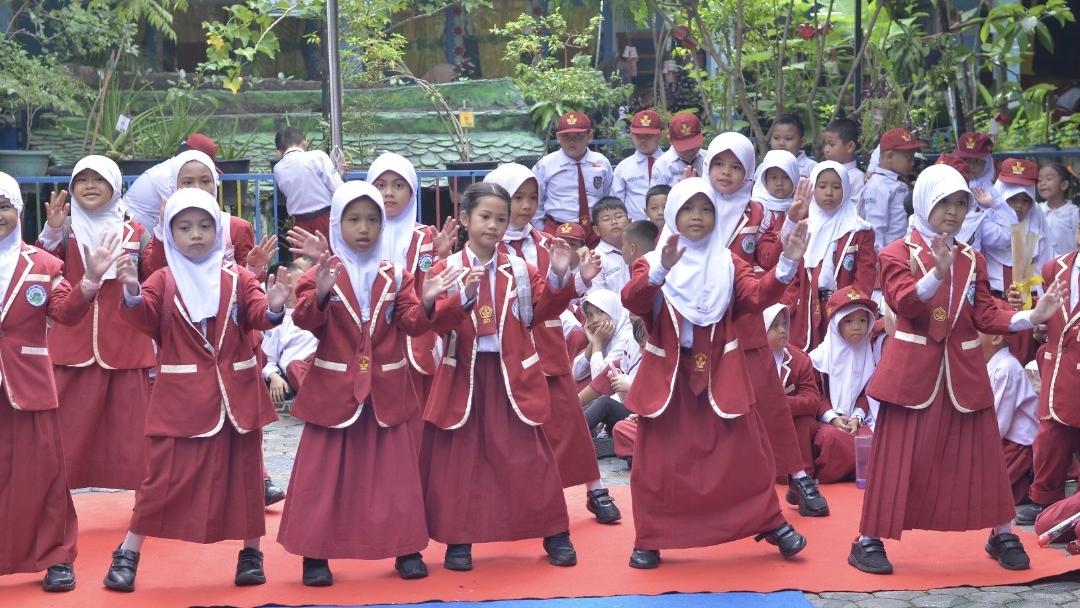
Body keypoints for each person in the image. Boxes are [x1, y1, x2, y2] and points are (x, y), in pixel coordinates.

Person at [848, 164, 1063, 575]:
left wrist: (1033, 315)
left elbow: (985, 312)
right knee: (897, 456)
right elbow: (905, 304)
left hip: (963, 371)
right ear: (926, 200)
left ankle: (1001, 532)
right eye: (945, 202)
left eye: (961, 203)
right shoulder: (896, 252)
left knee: (983, 456)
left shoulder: (972, 257)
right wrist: (935, 273)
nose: (954, 211)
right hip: (911, 373)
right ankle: (867, 539)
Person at [106, 189, 292, 591]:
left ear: (218, 230)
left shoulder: (239, 277)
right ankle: (128, 552)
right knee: (162, 479)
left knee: (245, 478)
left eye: (205, 226)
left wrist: (275, 307)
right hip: (181, 400)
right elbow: (145, 318)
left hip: (238, 397)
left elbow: (258, 315)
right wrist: (132, 293)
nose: (196, 234)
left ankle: (251, 553)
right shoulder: (162, 278)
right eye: (185, 227)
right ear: (170, 233)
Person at [620, 176, 811, 569]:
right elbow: (632, 299)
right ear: (672, 213)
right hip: (669, 376)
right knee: (657, 463)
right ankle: (650, 538)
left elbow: (757, 296)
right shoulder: (654, 260)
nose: (698, 217)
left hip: (720, 371)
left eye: (706, 209)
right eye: (688, 209)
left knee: (746, 454)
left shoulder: (728, 261)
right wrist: (660, 272)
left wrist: (788, 262)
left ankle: (769, 521)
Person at [277, 181, 459, 586]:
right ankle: (314, 554)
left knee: (395, 474)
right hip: (333, 390)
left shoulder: (396, 274)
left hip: (386, 390)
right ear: (337, 224)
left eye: (373, 219)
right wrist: (321, 290)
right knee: (322, 475)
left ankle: (407, 548)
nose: (364, 228)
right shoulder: (321, 272)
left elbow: (412, 322)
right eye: (354, 219)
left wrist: (428, 299)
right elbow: (308, 320)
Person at [420, 182, 583, 571]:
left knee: (532, 457)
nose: (493, 226)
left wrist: (561, 277)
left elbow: (544, 311)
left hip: (513, 374)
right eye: (484, 217)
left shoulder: (521, 270)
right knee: (460, 460)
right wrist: (459, 299)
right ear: (464, 219)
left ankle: (555, 531)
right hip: (464, 375)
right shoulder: (447, 269)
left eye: (500, 219)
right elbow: (431, 321)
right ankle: (458, 540)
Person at [142, 149, 285, 505]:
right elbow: (155, 272)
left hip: (234, 333)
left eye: (205, 180)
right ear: (173, 185)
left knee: (244, 407)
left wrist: (253, 269)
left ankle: (257, 475)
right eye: (187, 181)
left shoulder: (233, 226)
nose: (198, 187)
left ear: (217, 184)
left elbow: (248, 285)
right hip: (186, 331)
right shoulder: (167, 228)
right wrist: (161, 231)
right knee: (189, 409)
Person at [0, 173, 121, 593]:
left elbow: (66, 314)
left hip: (30, 385)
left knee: (47, 474)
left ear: (17, 211)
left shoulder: (44, 263)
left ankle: (56, 557)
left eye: (3, 205)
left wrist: (90, 280)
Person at [483, 163, 619, 525]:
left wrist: (577, 280)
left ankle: (595, 489)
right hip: (502, 346)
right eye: (517, 198)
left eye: (532, 198)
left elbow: (554, 297)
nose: (526, 206)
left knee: (567, 418)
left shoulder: (547, 243)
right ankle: (514, 496)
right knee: (509, 426)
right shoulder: (487, 245)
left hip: (546, 340)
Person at [704, 132, 830, 518]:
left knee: (769, 399)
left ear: (747, 172)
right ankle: (712, 485)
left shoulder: (755, 212)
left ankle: (797, 476)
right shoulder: (691, 201)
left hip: (746, 313)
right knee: (705, 406)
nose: (726, 173)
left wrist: (790, 222)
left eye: (735, 166)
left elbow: (771, 256)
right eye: (719, 165)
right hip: (701, 322)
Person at [38, 155, 155, 492]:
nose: (90, 186)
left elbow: (156, 269)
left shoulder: (135, 230)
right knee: (64, 429)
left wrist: (162, 232)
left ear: (115, 186)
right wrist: (50, 231)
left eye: (99, 179)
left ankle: (143, 505)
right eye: (82, 180)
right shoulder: (65, 228)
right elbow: (42, 270)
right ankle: (53, 495)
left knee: (131, 433)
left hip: (125, 342)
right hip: (71, 342)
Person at [1012, 224, 1080, 526]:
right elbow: (1043, 311)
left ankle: (1075, 506)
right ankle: (1043, 498)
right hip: (1057, 367)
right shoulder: (1055, 266)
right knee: (1050, 437)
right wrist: (1025, 307)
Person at [782, 161, 877, 351]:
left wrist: (853, 310)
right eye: (822, 186)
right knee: (807, 361)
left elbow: (865, 276)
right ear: (813, 188)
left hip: (845, 310)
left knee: (841, 360)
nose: (829, 193)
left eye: (836, 186)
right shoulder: (804, 228)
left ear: (847, 189)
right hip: (806, 309)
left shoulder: (860, 231)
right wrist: (788, 309)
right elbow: (792, 276)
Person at [808, 289, 878, 484]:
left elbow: (868, 392)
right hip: (828, 420)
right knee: (830, 439)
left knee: (870, 439)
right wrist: (833, 418)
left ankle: (857, 475)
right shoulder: (819, 358)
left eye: (862, 321)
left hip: (857, 419)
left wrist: (856, 417)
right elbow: (816, 393)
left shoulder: (868, 355)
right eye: (849, 321)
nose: (857, 327)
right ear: (837, 324)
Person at [763, 303, 824, 480]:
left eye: (784, 324)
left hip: (789, 419)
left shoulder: (799, 359)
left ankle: (800, 475)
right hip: (758, 420)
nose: (782, 330)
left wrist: (779, 403)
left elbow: (813, 400)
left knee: (805, 422)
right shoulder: (747, 359)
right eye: (774, 326)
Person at [532, 112, 612, 245]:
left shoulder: (602, 163)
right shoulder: (546, 165)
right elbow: (537, 201)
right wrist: (541, 231)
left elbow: (607, 196)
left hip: (594, 231)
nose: (572, 141)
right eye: (566, 136)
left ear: (590, 136)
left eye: (579, 136)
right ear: (558, 137)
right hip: (557, 230)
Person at [979, 330, 1039, 506]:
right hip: (1000, 441)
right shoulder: (991, 364)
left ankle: (1027, 484)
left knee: (983, 495)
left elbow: (998, 423)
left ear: (996, 338)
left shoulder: (1006, 368)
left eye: (975, 333)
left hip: (1017, 445)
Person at [983, 158, 1055, 298]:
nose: (1019, 205)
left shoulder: (1036, 226)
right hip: (993, 300)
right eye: (1012, 199)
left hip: (1030, 301)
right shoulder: (986, 225)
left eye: (1026, 200)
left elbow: (1046, 269)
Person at [122, 133, 221, 230]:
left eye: (205, 181)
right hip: (135, 224)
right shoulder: (169, 176)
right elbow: (187, 211)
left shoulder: (175, 168)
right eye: (188, 183)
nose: (197, 188)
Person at [261, 258, 318, 404]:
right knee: (295, 367)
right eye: (300, 284)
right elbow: (267, 359)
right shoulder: (277, 320)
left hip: (322, 361)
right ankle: (317, 401)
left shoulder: (314, 307)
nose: (306, 287)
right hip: (300, 368)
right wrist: (273, 376)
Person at [273, 126, 344, 238]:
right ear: (304, 142)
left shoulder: (278, 168)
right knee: (328, 254)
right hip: (325, 218)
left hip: (299, 224)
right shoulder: (318, 156)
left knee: (302, 255)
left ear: (279, 152)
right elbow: (338, 188)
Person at [859, 128, 922, 252]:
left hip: (903, 251)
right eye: (909, 157)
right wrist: (879, 261)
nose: (913, 162)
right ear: (890, 157)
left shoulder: (898, 181)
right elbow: (875, 229)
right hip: (889, 256)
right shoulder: (878, 186)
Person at [611, 110, 665, 220]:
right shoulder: (623, 168)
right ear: (631, 135)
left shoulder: (670, 164)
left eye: (649, 135)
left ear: (661, 135)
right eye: (638, 135)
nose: (643, 140)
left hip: (668, 226)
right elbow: (616, 203)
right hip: (635, 228)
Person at [588, 197, 632, 294]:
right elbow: (597, 297)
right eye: (606, 219)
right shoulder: (596, 259)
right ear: (597, 230)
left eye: (619, 217)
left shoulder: (641, 247)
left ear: (629, 222)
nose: (614, 222)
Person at [649, 113, 705, 187]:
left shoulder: (708, 158)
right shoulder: (662, 165)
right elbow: (655, 197)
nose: (690, 150)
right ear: (670, 141)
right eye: (684, 147)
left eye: (694, 145)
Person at [1038, 162, 1079, 256]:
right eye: (1039, 180)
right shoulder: (1038, 209)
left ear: (1064, 185)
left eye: (1049, 179)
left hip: (1066, 265)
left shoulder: (1073, 212)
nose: (1042, 183)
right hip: (1043, 265)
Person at [752, 150, 799, 232]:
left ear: (794, 178)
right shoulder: (756, 208)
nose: (779, 183)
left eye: (786, 177)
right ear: (764, 179)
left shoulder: (800, 209)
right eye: (773, 178)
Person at [822, 118, 865, 206]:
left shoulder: (857, 178)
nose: (826, 149)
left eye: (831, 144)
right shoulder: (822, 173)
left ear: (850, 147)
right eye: (825, 144)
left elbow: (856, 211)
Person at [770, 114, 817, 179]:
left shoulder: (812, 168)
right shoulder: (764, 166)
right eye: (776, 138)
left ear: (802, 142)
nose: (781, 143)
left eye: (788, 139)